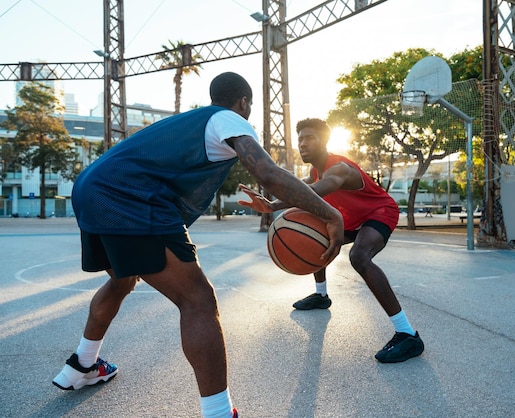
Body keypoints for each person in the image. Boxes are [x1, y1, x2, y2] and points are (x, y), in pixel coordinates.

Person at [52, 73, 344, 418]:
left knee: (122, 279)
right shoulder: (230, 120)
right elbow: (267, 172)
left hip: (92, 189)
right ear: (244, 103)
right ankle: (219, 413)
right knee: (198, 301)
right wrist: (331, 214)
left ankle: (82, 365)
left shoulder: (193, 122)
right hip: (128, 197)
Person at [239, 118, 424, 363]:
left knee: (359, 256)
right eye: (300, 139)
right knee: (318, 238)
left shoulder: (339, 168)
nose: (302, 143)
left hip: (378, 212)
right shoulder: (316, 170)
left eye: (309, 138)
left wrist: (276, 201)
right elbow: (303, 186)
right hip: (351, 217)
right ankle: (321, 296)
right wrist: (272, 204)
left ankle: (407, 334)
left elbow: (314, 191)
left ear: (324, 141)